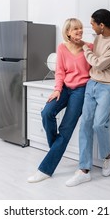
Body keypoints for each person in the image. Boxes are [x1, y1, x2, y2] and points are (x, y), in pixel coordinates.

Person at [27, 18, 93, 183]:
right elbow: (60, 72)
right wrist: (57, 89)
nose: (79, 30)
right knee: (46, 112)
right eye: (75, 28)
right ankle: (56, 148)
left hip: (80, 90)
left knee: (66, 129)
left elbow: (97, 67)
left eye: (80, 28)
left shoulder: (89, 47)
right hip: (64, 88)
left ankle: (45, 170)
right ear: (68, 32)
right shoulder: (62, 48)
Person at [66, 9, 110, 187]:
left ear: (101, 25)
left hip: (108, 86)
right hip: (92, 84)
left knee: (98, 124)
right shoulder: (99, 37)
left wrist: (84, 47)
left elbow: (98, 62)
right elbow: (97, 59)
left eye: (92, 23)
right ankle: (84, 170)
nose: (90, 26)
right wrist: (82, 43)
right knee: (85, 123)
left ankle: (108, 155)